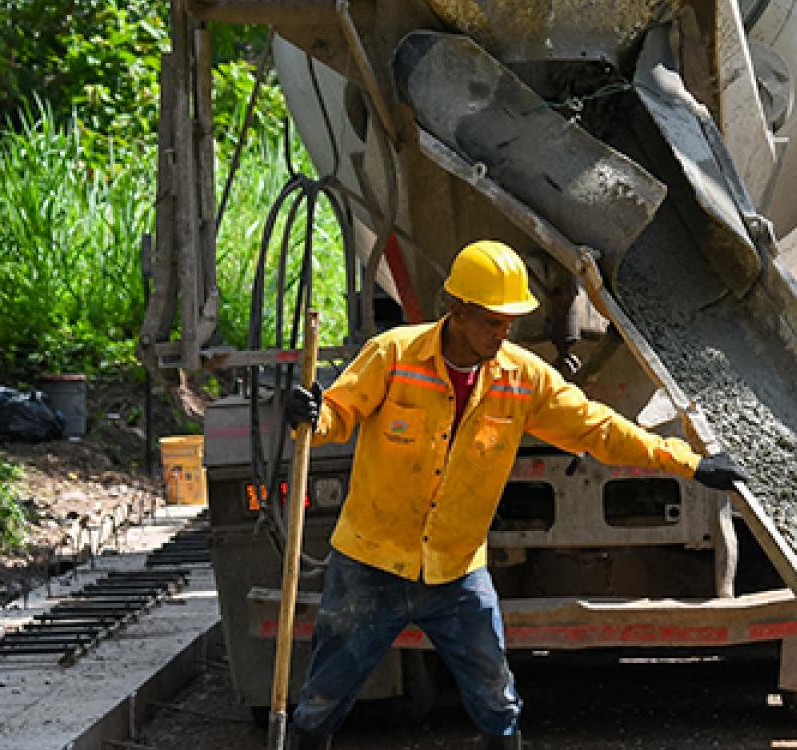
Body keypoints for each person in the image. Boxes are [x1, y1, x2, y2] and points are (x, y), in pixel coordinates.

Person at [280, 240, 749, 750]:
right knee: (323, 699)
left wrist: (689, 462)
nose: (502, 333)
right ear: (457, 309)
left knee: (497, 702)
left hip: (454, 570)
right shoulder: (393, 355)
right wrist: (312, 415)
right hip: (369, 563)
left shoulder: (521, 378)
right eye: (490, 321)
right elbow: (337, 415)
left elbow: (598, 429)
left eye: (509, 322)